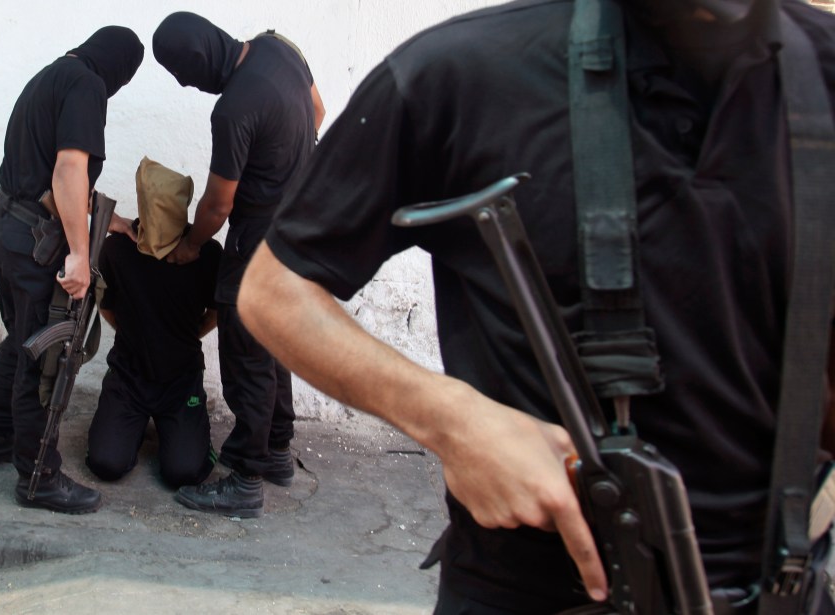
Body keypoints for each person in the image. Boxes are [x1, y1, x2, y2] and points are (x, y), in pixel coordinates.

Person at [237, 0, 835, 613]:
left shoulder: (824, 69)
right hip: (531, 589)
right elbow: (274, 291)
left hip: (787, 587)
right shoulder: (460, 71)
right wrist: (453, 421)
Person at [151, 12, 325, 518]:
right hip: (299, 229)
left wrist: (189, 246)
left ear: (198, 62)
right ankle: (276, 451)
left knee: (247, 354)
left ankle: (246, 479)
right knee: (277, 340)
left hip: (258, 241)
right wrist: (283, 168)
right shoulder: (280, 48)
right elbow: (317, 111)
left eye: (184, 75)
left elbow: (217, 205)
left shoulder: (232, 110)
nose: (189, 84)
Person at [0, 26, 144, 515]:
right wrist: (78, 254)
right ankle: (38, 478)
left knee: (22, 337)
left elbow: (58, 177)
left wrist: (121, 225)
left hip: (4, 225)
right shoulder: (87, 84)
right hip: (35, 242)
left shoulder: (51, 76)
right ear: (117, 67)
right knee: (44, 358)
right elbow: (68, 170)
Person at [86, 157, 220, 490]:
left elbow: (219, 310)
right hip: (129, 377)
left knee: (184, 474)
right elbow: (105, 304)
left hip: (180, 381)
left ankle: (182, 429)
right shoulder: (118, 249)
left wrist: (187, 335)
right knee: (105, 463)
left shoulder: (205, 254)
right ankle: (133, 428)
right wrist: (136, 334)